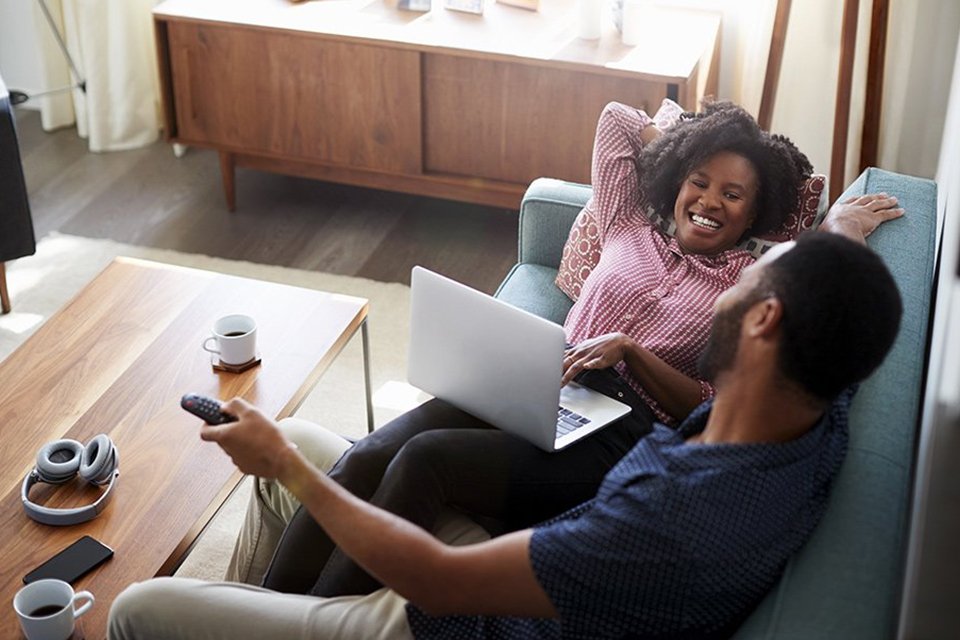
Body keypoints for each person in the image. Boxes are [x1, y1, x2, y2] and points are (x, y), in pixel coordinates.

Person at [246, 100, 904, 599]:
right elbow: (617, 119)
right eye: (699, 181)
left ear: (754, 217)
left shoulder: (745, 286)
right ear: (675, 179)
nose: (709, 201)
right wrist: (693, 141)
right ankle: (269, 608)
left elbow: (712, 400)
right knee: (370, 452)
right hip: (541, 380)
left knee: (423, 461)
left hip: (620, 428)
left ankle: (318, 621)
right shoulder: (627, 223)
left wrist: (633, 354)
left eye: (734, 196)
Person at [108, 231, 903, 639]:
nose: (732, 286)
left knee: (143, 609)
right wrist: (843, 231)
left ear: (765, 320)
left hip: (455, 622)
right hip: (521, 578)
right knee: (323, 443)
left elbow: (440, 583)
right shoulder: (813, 404)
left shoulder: (674, 521)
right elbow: (836, 304)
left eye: (749, 283)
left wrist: (282, 465)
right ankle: (255, 610)